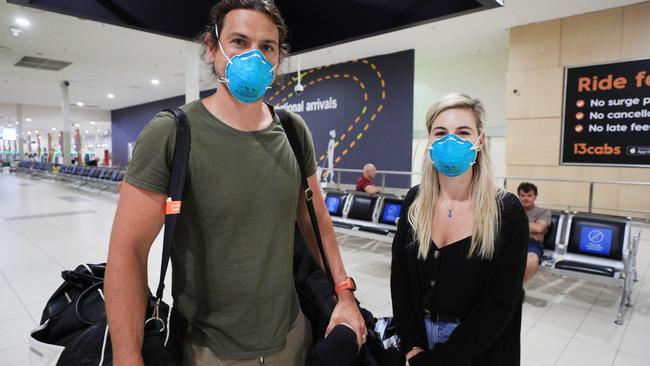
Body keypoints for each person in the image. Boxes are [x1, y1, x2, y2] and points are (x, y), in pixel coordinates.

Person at [104, 1, 366, 365]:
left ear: (278, 59)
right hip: (207, 350)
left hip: (292, 337)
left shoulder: (292, 131)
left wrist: (344, 292)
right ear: (212, 48)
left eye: (267, 47)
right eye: (239, 42)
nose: (253, 57)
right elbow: (127, 253)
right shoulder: (173, 133)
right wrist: (127, 357)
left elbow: (315, 221)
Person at [391, 93, 528, 366]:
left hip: (480, 350)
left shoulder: (507, 211)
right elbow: (401, 280)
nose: (450, 140)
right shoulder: (415, 201)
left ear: (480, 142)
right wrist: (413, 345)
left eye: (463, 132)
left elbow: (500, 304)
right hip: (419, 342)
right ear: (428, 142)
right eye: (440, 132)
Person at [517, 182, 551, 282]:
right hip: (513, 242)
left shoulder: (543, 212)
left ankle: (519, 288)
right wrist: (532, 225)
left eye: (529, 195)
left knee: (531, 260)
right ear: (518, 196)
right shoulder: (513, 210)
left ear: (535, 196)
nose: (526, 198)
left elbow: (539, 229)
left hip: (532, 244)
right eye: (522, 195)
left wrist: (514, 224)